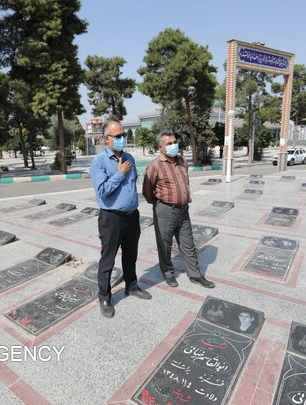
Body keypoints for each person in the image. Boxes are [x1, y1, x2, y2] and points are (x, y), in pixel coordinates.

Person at [90, 121, 151, 318]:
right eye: (117, 136)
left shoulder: (130, 158)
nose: (122, 139)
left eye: (123, 135)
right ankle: (104, 297)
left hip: (132, 216)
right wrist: (119, 174)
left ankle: (131, 286)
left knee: (130, 255)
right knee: (108, 259)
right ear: (106, 139)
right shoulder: (98, 161)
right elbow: (103, 191)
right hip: (111, 218)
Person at [142, 130, 215, 289]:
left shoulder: (182, 161)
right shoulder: (155, 165)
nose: (174, 145)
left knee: (188, 243)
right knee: (165, 244)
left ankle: (195, 275)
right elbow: (147, 191)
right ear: (160, 147)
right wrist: (159, 203)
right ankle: (168, 273)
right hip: (165, 210)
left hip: (183, 210)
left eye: (175, 142)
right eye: (169, 144)